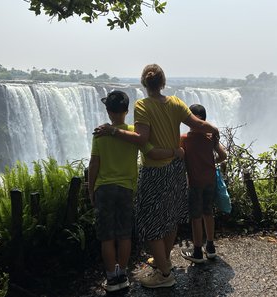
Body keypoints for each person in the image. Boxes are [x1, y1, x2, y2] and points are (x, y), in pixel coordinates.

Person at [93, 64, 219, 288]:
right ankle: (165, 262)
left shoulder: (143, 106)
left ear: (144, 83)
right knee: (169, 219)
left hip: (155, 171)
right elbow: (198, 124)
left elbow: (141, 139)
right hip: (176, 170)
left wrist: (112, 131)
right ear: (163, 82)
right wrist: (214, 130)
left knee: (149, 224)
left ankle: (165, 274)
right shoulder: (176, 102)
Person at [88, 90, 183, 292]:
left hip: (104, 189)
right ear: (126, 110)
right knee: (124, 235)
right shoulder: (133, 134)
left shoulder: (100, 134)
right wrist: (176, 152)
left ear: (108, 111)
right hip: (126, 189)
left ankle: (112, 279)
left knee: (106, 237)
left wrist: (91, 189)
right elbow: (151, 152)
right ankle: (123, 273)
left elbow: (94, 163)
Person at [180, 104, 227, 263]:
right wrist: (211, 162)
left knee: (195, 217)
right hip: (210, 180)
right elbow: (223, 155)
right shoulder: (210, 137)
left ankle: (197, 252)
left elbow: (180, 159)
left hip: (194, 182)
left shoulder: (185, 139)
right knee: (208, 212)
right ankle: (211, 247)